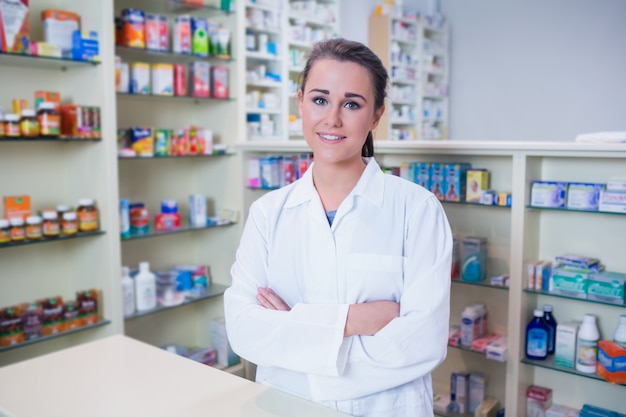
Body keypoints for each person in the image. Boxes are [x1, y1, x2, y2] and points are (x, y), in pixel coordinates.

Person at [224, 38, 452, 417]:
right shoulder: (268, 213)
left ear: (376, 115)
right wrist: (354, 320)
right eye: (319, 99)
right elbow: (245, 331)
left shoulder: (418, 209)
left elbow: (420, 343)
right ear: (300, 103)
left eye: (351, 104)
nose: (332, 119)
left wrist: (294, 333)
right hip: (286, 405)